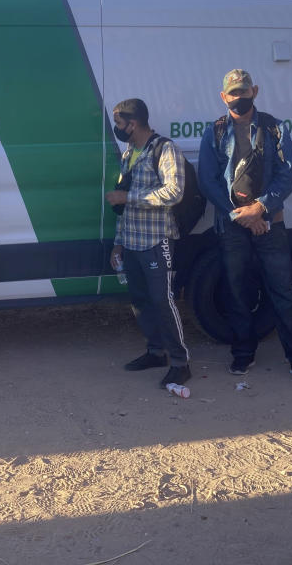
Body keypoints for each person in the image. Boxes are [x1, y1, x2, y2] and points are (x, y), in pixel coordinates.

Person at [197, 69, 292, 384]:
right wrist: (239, 213)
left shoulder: (274, 128)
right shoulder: (213, 132)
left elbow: (288, 174)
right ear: (223, 96)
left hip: (271, 223)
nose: (239, 98)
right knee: (237, 291)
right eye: (233, 93)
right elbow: (208, 180)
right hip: (232, 225)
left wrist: (260, 208)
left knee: (283, 291)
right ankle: (243, 354)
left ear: (255, 90)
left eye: (244, 91)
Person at [105, 98, 191, 388]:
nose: (117, 128)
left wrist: (128, 198)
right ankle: (156, 352)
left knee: (162, 301)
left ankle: (180, 362)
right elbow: (122, 199)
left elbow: (174, 192)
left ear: (134, 123)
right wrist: (118, 243)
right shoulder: (129, 152)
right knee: (141, 302)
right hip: (131, 242)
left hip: (156, 240)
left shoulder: (165, 149)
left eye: (118, 123)